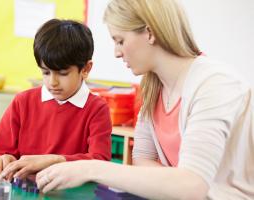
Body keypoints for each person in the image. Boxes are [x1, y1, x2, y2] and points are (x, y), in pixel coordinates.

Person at [35, 0, 254, 199]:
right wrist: (176, 181)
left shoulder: (214, 84)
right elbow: (142, 160)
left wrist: (90, 168)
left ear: (149, 33)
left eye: (120, 40)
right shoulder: (153, 88)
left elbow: (191, 186)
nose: (117, 53)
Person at [0, 19, 112, 181]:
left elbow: (100, 163)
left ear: (86, 69)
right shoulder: (22, 102)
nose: (52, 82)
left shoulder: (96, 108)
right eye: (45, 72)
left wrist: (53, 160)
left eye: (63, 73)